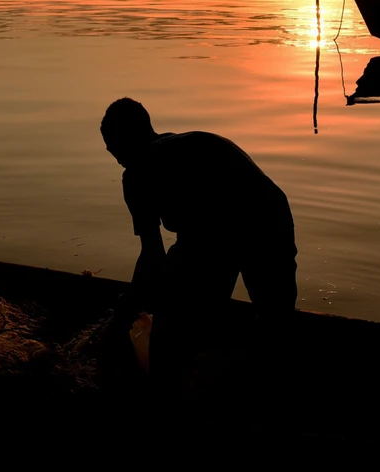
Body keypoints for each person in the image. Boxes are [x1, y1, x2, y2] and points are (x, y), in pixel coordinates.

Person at [100, 97, 298, 380]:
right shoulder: (189, 142)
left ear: (125, 140)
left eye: (114, 149)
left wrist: (130, 303)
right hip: (272, 215)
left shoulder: (136, 174)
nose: (116, 158)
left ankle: (169, 392)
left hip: (224, 231)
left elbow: (153, 255)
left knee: (170, 341)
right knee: (277, 324)